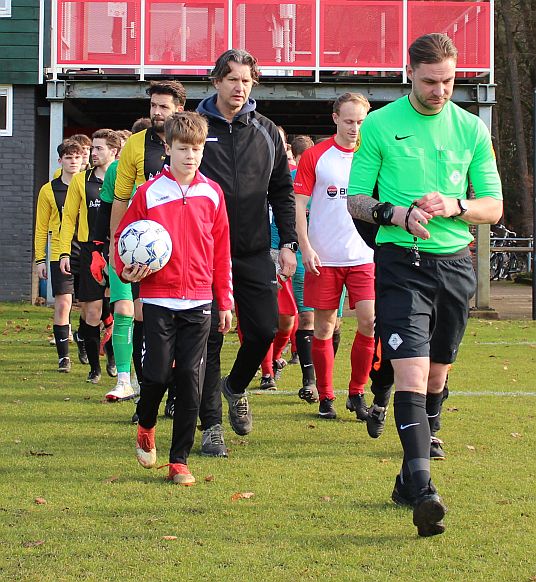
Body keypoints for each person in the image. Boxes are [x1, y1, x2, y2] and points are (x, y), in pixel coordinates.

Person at [347, 33, 503, 537]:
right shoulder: (379, 124)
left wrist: (457, 205)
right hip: (401, 262)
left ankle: (405, 481)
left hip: (455, 265)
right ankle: (423, 487)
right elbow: (355, 199)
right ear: (409, 73)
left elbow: (494, 206)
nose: (440, 91)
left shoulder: (472, 128)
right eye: (431, 81)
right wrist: (397, 214)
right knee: (411, 373)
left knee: (436, 377)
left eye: (449, 81)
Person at [114, 111, 233, 485]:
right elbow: (123, 239)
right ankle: (146, 424)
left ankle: (178, 461)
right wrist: (125, 270)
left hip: (199, 301)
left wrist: (224, 300)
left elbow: (221, 251)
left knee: (189, 379)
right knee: (156, 375)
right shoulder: (148, 193)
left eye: (196, 149)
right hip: (158, 299)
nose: (190, 156)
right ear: (168, 148)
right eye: (183, 148)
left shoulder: (212, 193)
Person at [196, 48, 297, 443]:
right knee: (209, 339)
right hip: (205, 255)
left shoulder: (267, 131)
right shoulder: (195, 127)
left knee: (264, 331)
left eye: (246, 80)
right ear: (216, 81)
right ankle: (211, 427)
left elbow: (283, 191)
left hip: (254, 251)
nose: (240, 87)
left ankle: (235, 387)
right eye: (232, 79)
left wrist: (288, 243)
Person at [294, 93, 375, 421]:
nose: (355, 128)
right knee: (324, 327)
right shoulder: (316, 155)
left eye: (361, 122)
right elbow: (299, 204)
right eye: (349, 121)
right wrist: (305, 246)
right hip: (324, 256)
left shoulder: (373, 154)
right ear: (336, 119)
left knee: (370, 321)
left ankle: (357, 392)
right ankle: (326, 396)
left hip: (364, 255)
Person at [105, 82, 186, 403]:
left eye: (163, 106)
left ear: (179, 109)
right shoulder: (136, 145)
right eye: (153, 105)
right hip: (145, 249)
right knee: (141, 315)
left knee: (180, 319)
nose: (156, 112)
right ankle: (144, 393)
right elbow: (121, 198)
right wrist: (116, 245)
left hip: (183, 245)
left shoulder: (190, 140)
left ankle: (176, 393)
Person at [59, 129, 121, 383]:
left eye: (99, 148)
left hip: (118, 249)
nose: (92, 153)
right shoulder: (81, 180)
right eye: (92, 148)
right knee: (92, 312)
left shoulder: (123, 177)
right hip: (90, 250)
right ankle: (95, 369)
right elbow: (68, 218)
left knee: (120, 311)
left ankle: (114, 356)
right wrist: (64, 252)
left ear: (114, 151)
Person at [34, 140, 84, 372]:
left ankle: (83, 337)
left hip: (86, 250)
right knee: (63, 303)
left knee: (90, 306)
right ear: (60, 161)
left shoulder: (89, 185)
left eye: (77, 157)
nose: (73, 162)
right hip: (58, 252)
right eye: (68, 157)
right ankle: (64, 357)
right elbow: (41, 227)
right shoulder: (48, 190)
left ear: (83, 159)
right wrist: (40, 259)